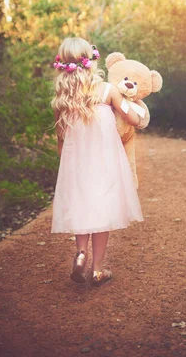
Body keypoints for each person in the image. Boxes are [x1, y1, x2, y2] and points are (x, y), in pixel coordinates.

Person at [50, 37, 144, 286]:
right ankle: (97, 270)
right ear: (91, 60)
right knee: (103, 210)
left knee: (83, 207)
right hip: (105, 163)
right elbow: (134, 119)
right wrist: (134, 105)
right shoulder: (107, 91)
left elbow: (61, 140)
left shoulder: (61, 100)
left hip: (76, 166)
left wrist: (68, 166)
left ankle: (81, 254)